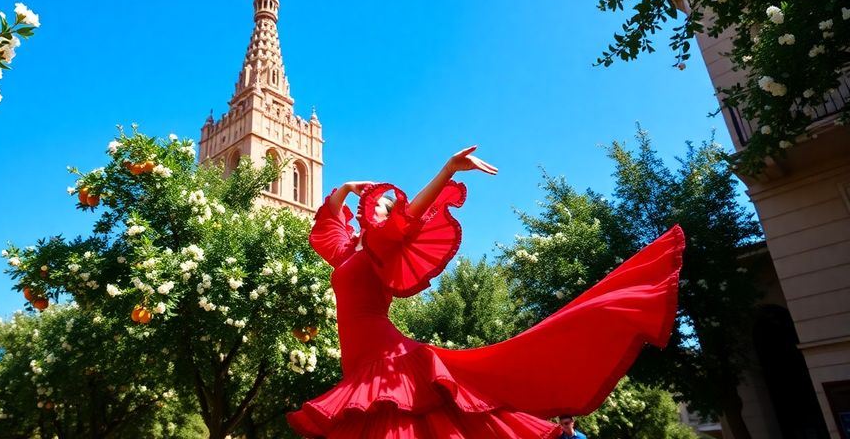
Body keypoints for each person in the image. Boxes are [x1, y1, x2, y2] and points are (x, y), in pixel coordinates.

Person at [287, 146, 686, 438]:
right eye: (375, 206)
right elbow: (326, 219)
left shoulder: (380, 247)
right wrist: (348, 186)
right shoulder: (344, 252)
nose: (372, 208)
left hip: (384, 358)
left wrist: (446, 170)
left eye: (381, 207)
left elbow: (409, 215)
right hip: (359, 360)